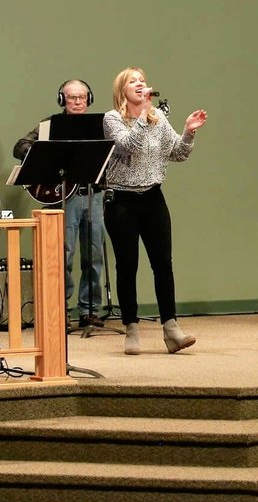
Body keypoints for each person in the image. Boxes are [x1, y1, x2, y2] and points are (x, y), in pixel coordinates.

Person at [102, 67, 207, 355]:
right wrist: (144, 116)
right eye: (133, 82)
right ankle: (131, 328)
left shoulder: (158, 120)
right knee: (127, 265)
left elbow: (178, 153)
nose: (140, 85)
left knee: (163, 264)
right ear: (122, 91)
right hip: (121, 200)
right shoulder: (112, 119)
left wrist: (187, 132)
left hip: (153, 198)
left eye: (142, 82)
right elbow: (127, 146)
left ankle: (171, 328)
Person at [13, 78, 108, 328]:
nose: (78, 101)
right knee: (63, 255)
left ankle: (89, 310)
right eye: (72, 97)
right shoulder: (50, 124)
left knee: (94, 254)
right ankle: (60, 309)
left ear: (89, 99)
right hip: (65, 197)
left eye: (82, 97)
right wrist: (45, 155)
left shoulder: (103, 125)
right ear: (61, 100)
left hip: (94, 194)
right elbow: (20, 145)